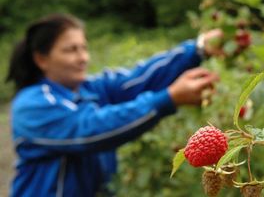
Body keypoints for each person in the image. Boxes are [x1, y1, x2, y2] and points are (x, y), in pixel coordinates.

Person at [6, 14, 221, 197]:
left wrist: (198, 49)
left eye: (84, 48)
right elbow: (89, 128)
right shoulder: (31, 105)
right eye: (71, 50)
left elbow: (139, 79)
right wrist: (168, 99)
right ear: (41, 59)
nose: (83, 58)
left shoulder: (88, 88)